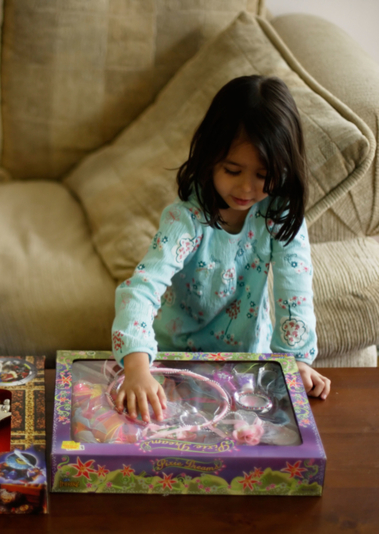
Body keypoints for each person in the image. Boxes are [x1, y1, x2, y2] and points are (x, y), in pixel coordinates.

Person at [111, 75, 331, 424]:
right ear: (210, 157)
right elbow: (141, 287)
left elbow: (295, 294)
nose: (247, 187)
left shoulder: (280, 213)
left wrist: (297, 362)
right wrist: (137, 366)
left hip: (246, 363)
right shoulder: (187, 218)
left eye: (264, 174)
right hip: (172, 359)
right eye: (233, 170)